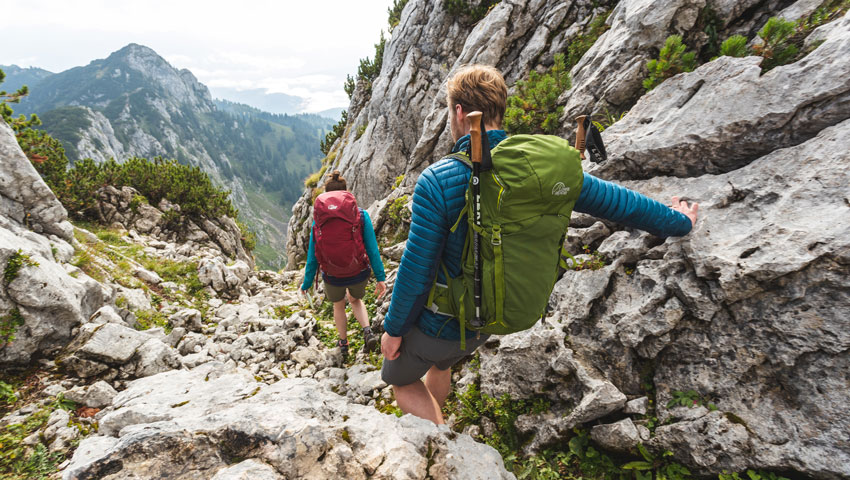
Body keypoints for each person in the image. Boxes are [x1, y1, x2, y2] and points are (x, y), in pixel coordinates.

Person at [380, 65, 699, 424]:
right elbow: (623, 205)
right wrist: (679, 220)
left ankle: (442, 445)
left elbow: (416, 270)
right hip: (494, 317)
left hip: (444, 321)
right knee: (441, 362)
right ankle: (440, 409)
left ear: (458, 113)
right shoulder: (541, 171)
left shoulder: (439, 180)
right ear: (501, 110)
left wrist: (393, 330)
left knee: (402, 380)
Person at [301, 171, 387, 359]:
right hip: (358, 272)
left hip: (332, 275)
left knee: (338, 305)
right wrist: (381, 278)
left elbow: (312, 256)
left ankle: (343, 344)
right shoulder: (361, 216)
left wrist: (307, 283)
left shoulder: (319, 221)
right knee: (355, 300)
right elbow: (372, 250)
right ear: (346, 192)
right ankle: (367, 331)